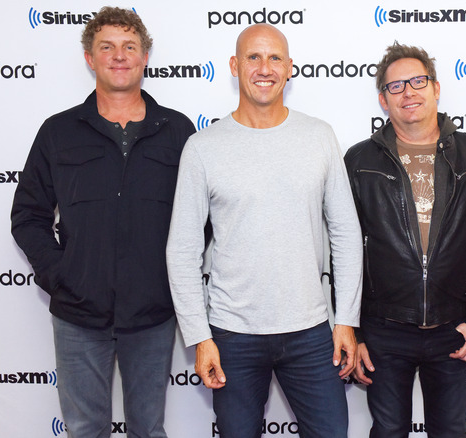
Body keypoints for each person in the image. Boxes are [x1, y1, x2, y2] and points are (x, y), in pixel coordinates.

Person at [165, 24, 362, 438]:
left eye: (275, 58)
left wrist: (346, 319)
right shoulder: (203, 147)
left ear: (290, 68)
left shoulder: (319, 136)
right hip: (232, 335)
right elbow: (182, 250)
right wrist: (200, 337)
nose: (264, 68)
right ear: (235, 66)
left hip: (312, 331)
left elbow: (345, 233)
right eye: (253, 57)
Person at [10, 6, 195, 438]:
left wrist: (172, 278)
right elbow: (27, 215)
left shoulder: (178, 131)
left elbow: (200, 220)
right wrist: (61, 275)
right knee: (84, 429)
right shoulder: (58, 131)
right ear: (90, 59)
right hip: (77, 314)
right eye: (106, 47)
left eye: (130, 46)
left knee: (148, 429)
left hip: (153, 314)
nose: (119, 55)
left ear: (145, 56)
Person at [343, 42, 466, 438]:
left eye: (418, 81)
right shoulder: (359, 160)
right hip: (383, 329)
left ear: (436, 88)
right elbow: (343, 254)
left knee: (450, 431)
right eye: (396, 86)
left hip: (453, 326)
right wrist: (357, 332)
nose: (408, 92)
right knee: (387, 430)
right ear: (383, 99)